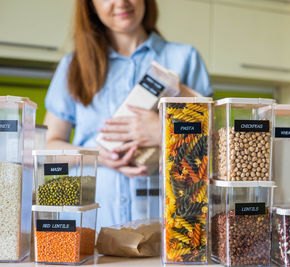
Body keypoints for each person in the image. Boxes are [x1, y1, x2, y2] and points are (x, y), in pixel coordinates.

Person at [44, 0, 212, 228]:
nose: (121, 2)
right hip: (89, 225)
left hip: (168, 226)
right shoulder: (73, 65)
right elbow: (48, 147)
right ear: (90, 5)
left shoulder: (184, 58)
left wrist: (166, 132)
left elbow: (214, 144)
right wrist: (96, 156)